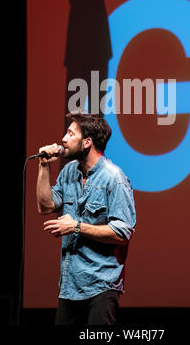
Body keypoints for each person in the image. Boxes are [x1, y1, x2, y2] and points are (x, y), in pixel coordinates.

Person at [36, 113, 136, 326]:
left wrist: (76, 227)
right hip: (70, 285)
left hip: (101, 285)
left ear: (87, 142)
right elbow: (45, 206)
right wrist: (44, 166)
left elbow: (121, 233)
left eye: (71, 133)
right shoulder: (69, 171)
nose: (63, 139)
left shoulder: (114, 179)